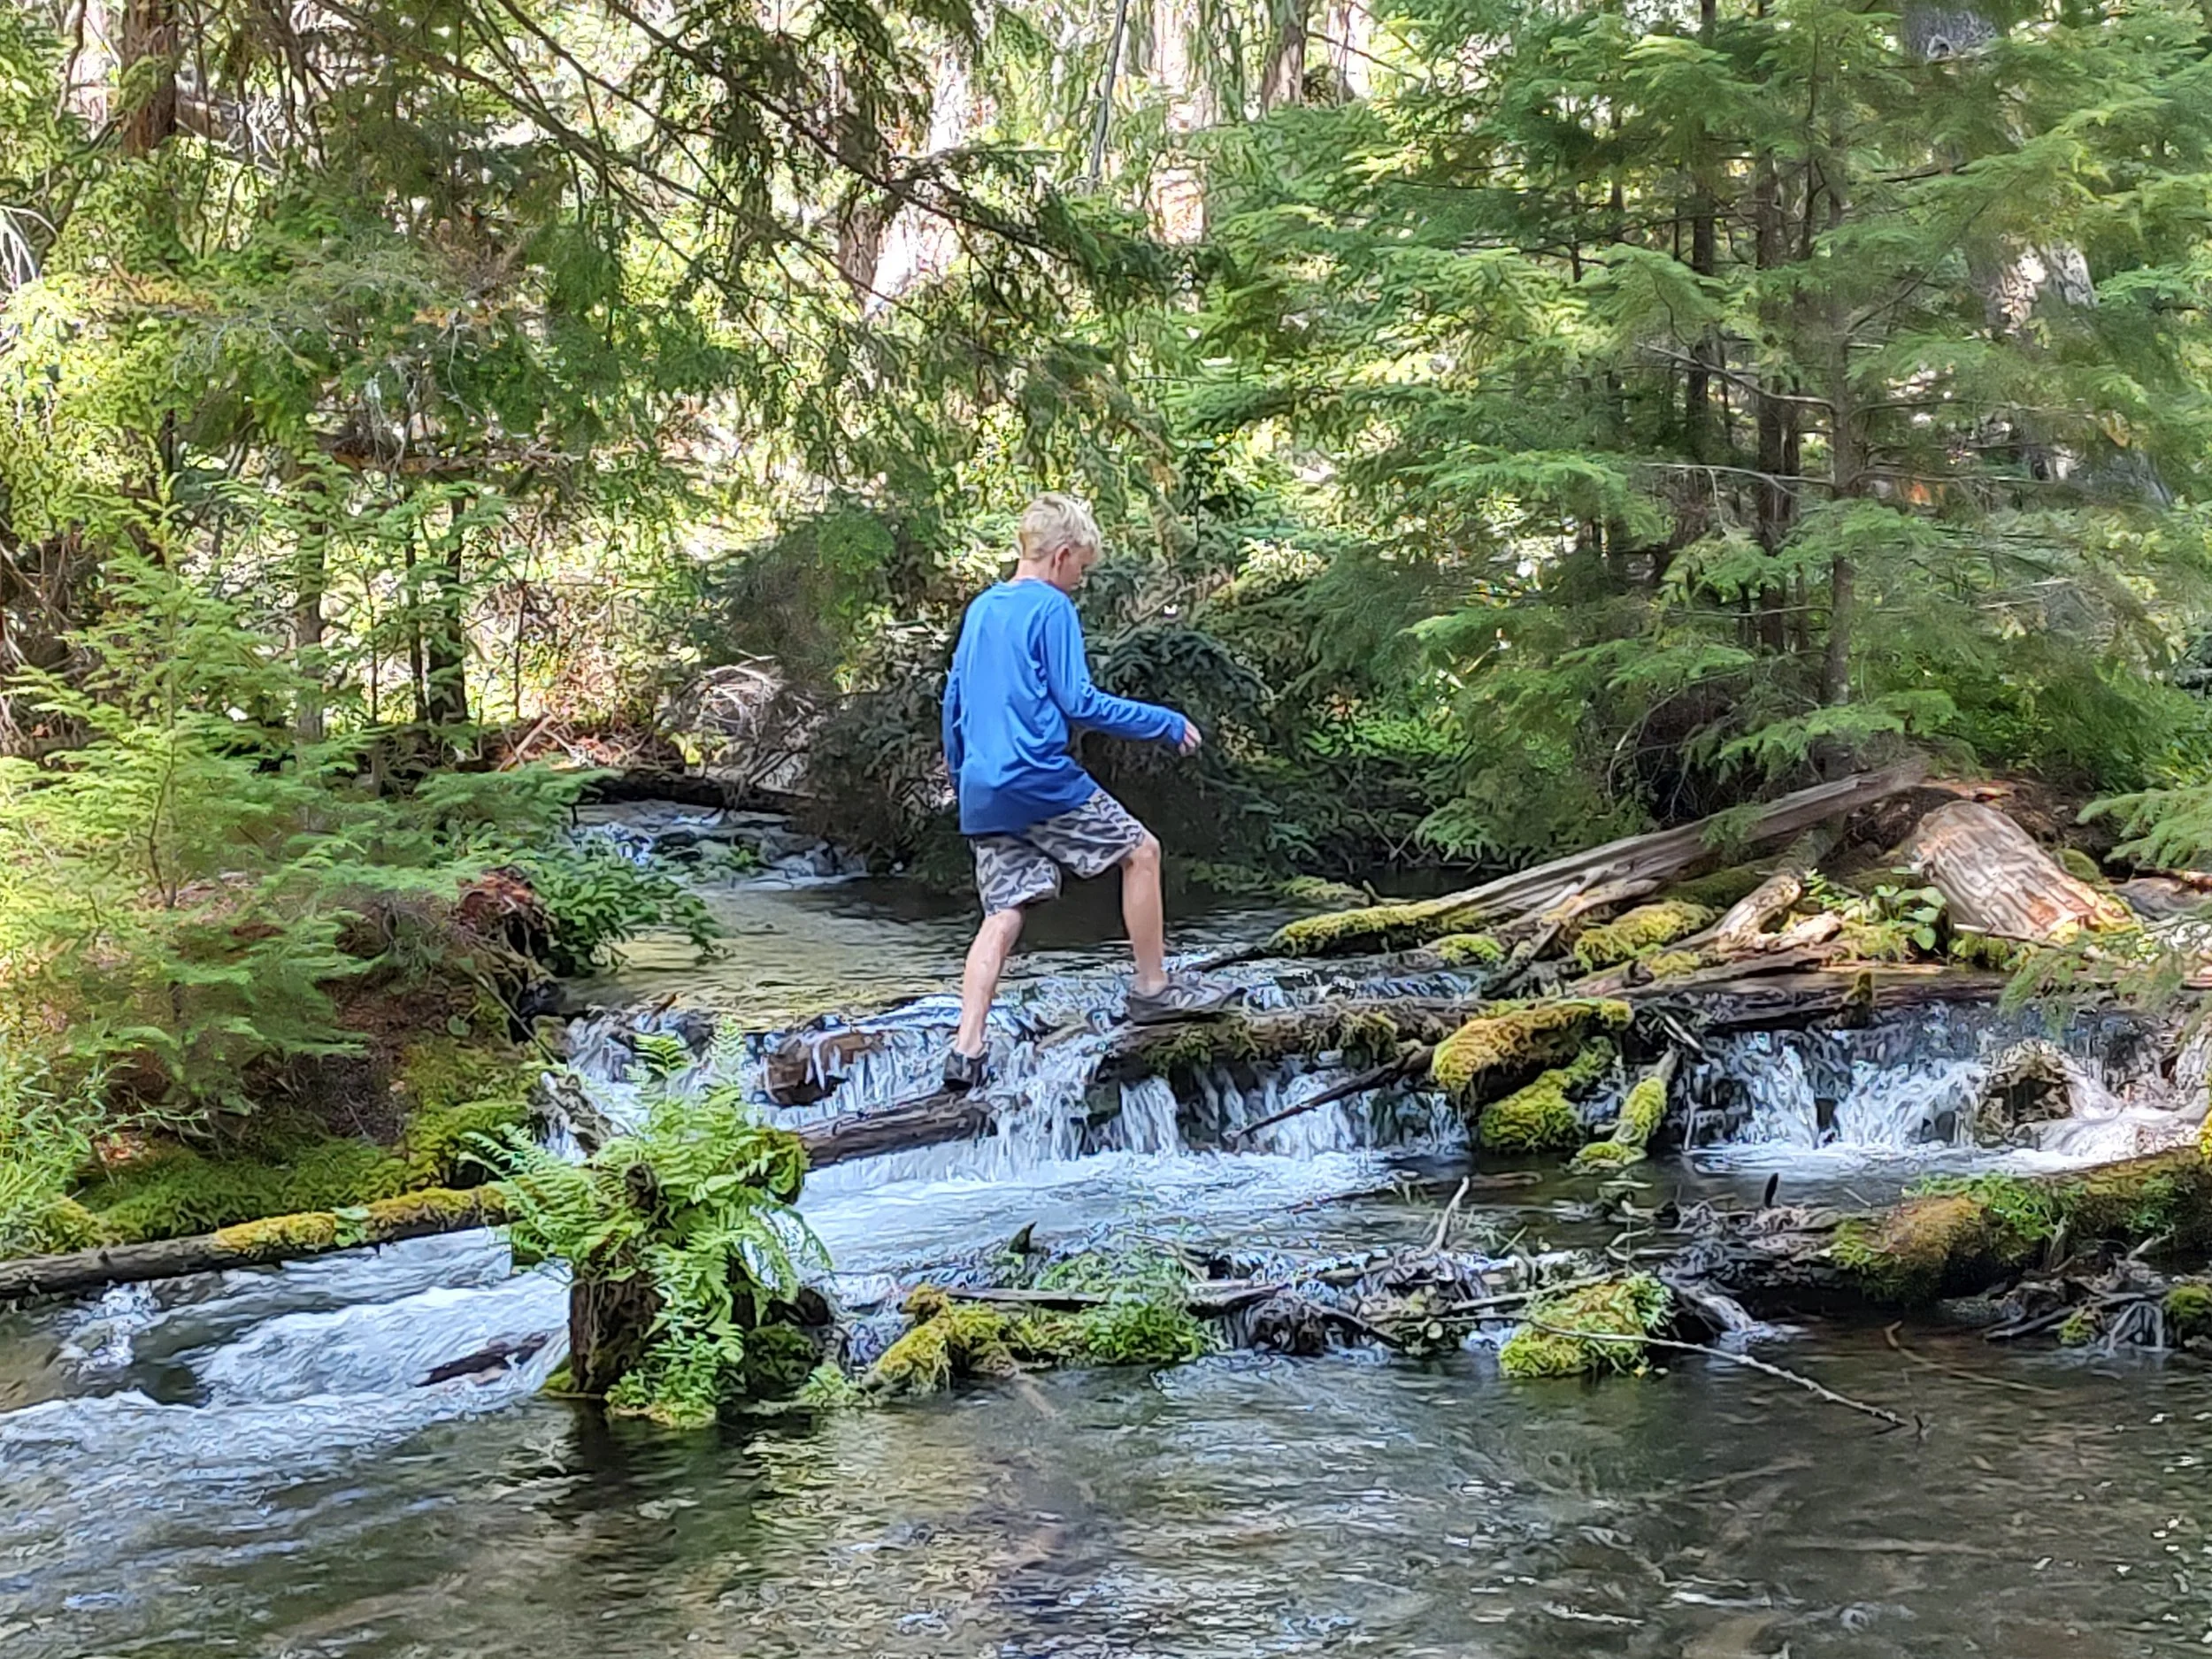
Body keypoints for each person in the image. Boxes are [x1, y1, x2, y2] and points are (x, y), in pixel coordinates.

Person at [939, 492, 1232, 1090]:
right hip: (1038, 776)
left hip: (983, 788)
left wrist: (962, 776)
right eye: (1082, 569)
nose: (1081, 580)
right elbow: (1078, 702)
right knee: (1141, 851)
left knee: (1002, 912)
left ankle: (965, 1048)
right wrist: (1165, 722)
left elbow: (954, 704)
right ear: (1062, 556)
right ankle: (1153, 988)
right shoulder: (1051, 608)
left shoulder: (982, 608)